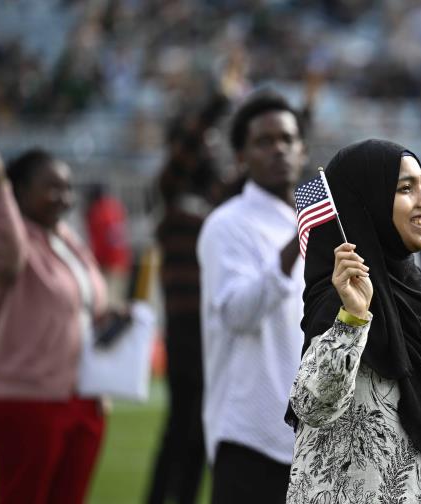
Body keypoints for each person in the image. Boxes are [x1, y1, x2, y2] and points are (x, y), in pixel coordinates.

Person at [286, 139, 421, 503]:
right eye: (405, 188)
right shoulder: (338, 299)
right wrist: (353, 320)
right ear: (368, 201)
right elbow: (312, 407)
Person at [0, 141, 108, 504]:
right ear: (18, 191)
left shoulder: (65, 238)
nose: (63, 197)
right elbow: (8, 250)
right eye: (51, 187)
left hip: (80, 396)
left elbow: (91, 301)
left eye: (67, 187)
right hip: (25, 395)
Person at [196, 90, 307, 503]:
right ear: (241, 157)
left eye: (288, 140)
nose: (279, 149)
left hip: (310, 437)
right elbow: (237, 312)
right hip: (249, 436)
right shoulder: (226, 225)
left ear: (303, 149)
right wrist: (297, 242)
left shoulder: (315, 225)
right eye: (264, 141)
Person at [145, 101, 225, 504]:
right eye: (202, 143)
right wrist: (217, 102)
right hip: (184, 326)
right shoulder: (169, 190)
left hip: (216, 325)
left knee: (202, 428)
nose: (209, 150)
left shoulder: (214, 196)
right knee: (181, 426)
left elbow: (264, 176)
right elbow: (186, 152)